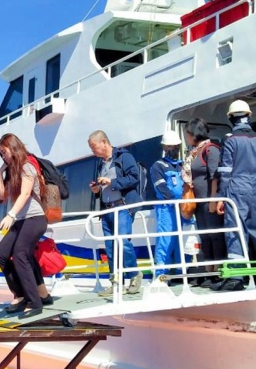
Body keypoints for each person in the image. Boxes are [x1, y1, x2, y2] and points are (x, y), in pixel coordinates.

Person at [214, 100, 256, 291]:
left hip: (236, 190)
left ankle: (237, 277)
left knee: (236, 232)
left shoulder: (230, 140)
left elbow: (225, 172)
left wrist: (222, 198)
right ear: (249, 116)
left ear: (231, 118)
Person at [0, 133, 52, 316]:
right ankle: (20, 294)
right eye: (1, 154)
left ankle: (34, 302)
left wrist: (11, 214)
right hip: (21, 221)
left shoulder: (27, 165)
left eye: (4, 152)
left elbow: (26, 194)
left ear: (13, 147)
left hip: (34, 218)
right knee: (1, 255)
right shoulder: (11, 172)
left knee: (20, 254)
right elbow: (2, 196)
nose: (3, 156)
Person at [88, 130, 143, 295]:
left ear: (104, 142)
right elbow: (103, 188)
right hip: (106, 210)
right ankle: (116, 282)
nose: (93, 151)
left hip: (122, 207)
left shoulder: (123, 157)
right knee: (110, 247)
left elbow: (135, 178)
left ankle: (134, 275)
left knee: (123, 243)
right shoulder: (101, 163)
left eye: (94, 147)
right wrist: (96, 189)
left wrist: (112, 182)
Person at [184, 118, 226, 287]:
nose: (187, 138)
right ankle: (209, 271)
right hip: (199, 203)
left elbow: (214, 176)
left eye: (188, 134)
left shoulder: (211, 149)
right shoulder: (194, 152)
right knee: (205, 237)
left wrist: (213, 200)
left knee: (215, 236)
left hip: (209, 200)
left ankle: (218, 272)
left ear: (195, 133)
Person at [150, 131, 184, 279]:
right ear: (164, 147)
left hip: (184, 209)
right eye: (169, 146)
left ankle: (182, 273)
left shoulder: (182, 165)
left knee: (184, 241)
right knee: (166, 240)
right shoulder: (158, 167)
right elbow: (161, 188)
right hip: (167, 209)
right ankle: (161, 275)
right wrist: (178, 202)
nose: (173, 149)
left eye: (175, 146)